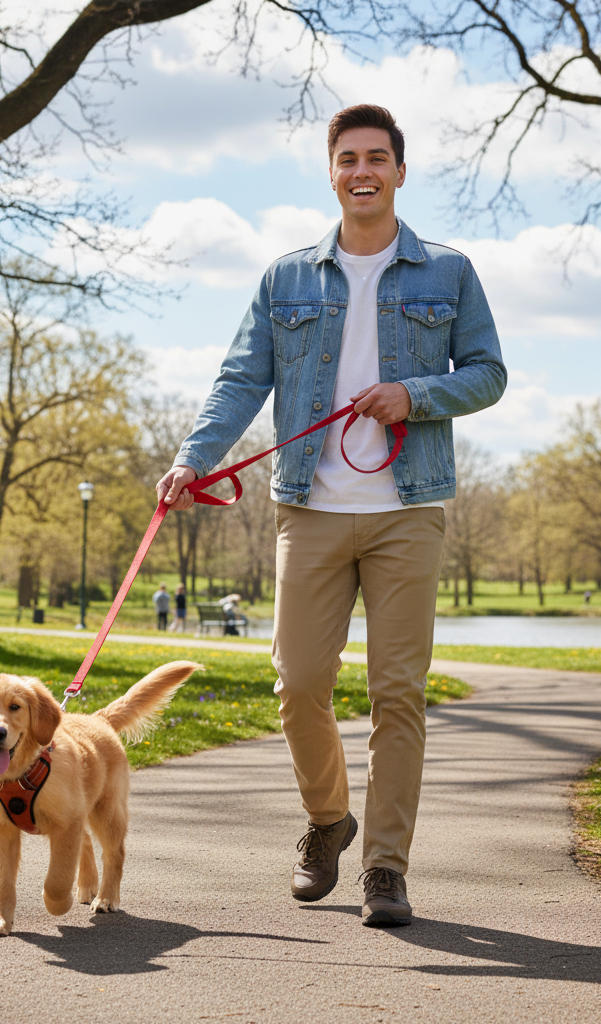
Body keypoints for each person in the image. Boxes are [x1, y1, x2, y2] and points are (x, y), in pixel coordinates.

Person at [156, 104, 506, 927]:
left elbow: (489, 373)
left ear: (399, 171)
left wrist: (413, 396)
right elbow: (241, 378)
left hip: (407, 508)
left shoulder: (448, 271)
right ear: (331, 171)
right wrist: (192, 458)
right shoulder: (285, 278)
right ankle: (327, 820)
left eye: (377, 158)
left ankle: (385, 867)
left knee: (398, 694)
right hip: (307, 506)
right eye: (348, 158)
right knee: (300, 685)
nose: (362, 171)